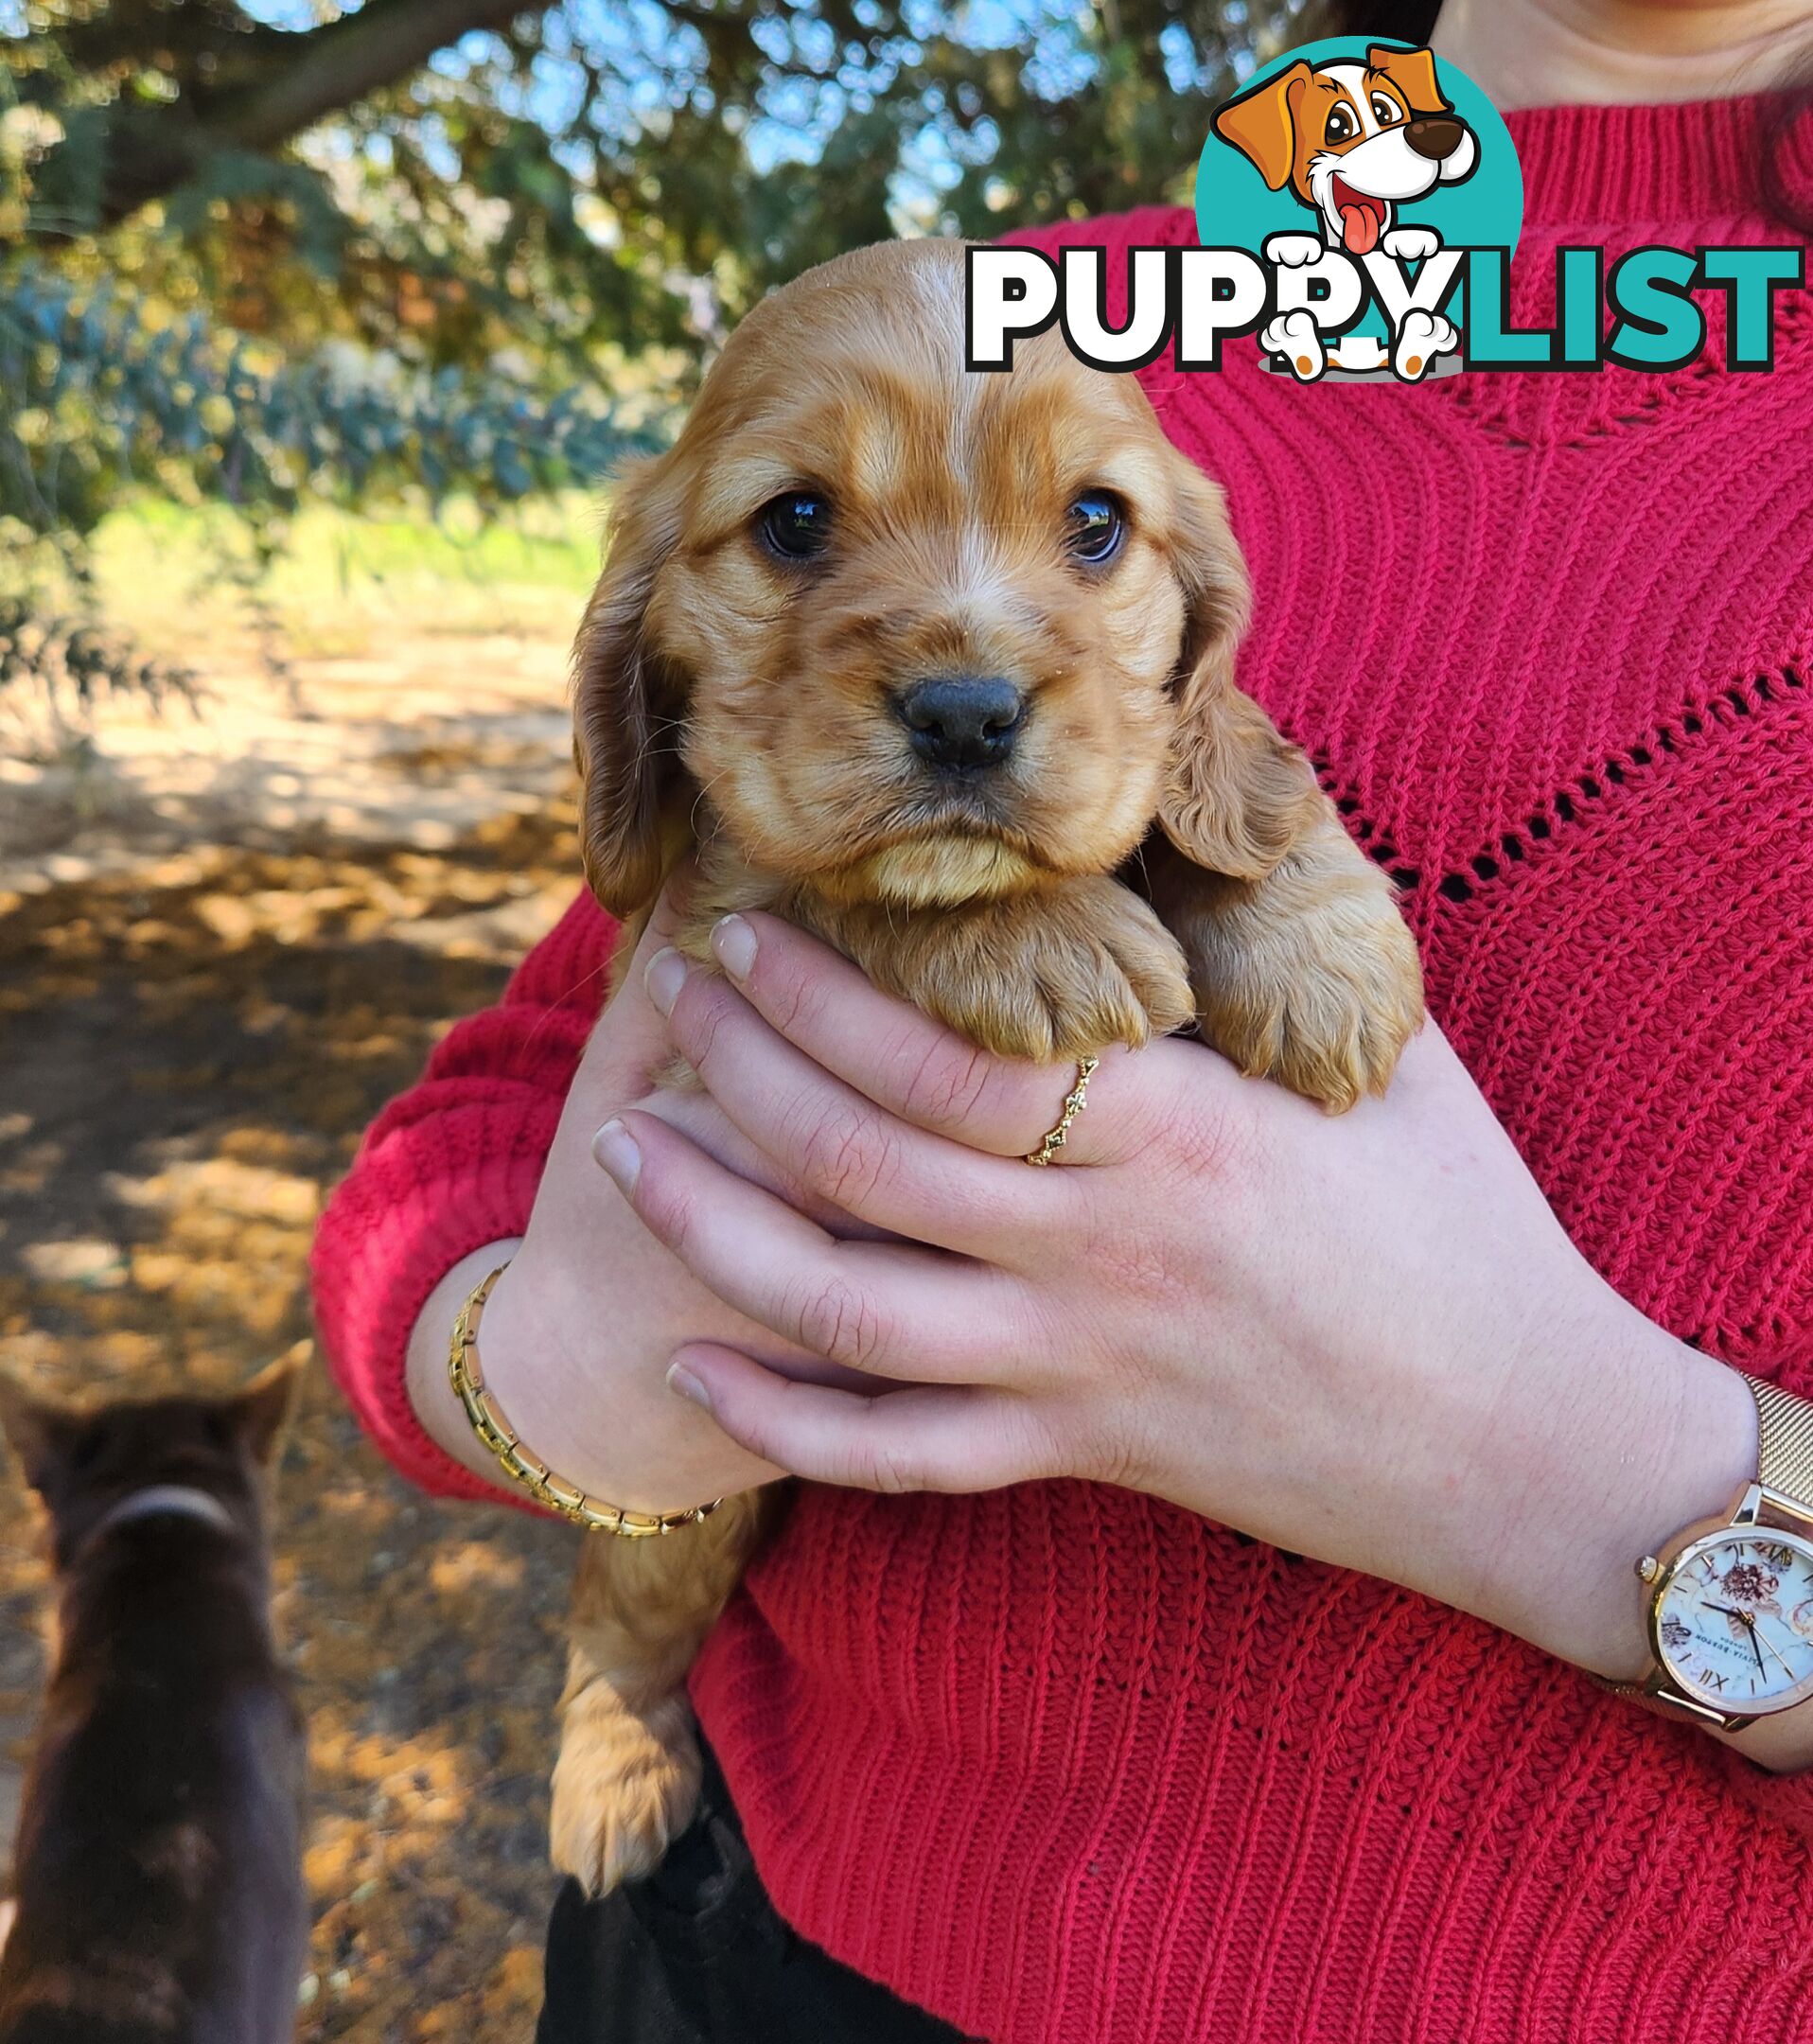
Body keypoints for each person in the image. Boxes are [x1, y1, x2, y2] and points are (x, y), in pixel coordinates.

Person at [311, 0, 1813, 2035]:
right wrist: (539, 1371)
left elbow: (1214, 776)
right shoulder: (1064, 307)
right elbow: (492, 1124)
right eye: (800, 528)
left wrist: (1587, 1476)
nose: (963, 666)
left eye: (1087, 534)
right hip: (760, 1936)